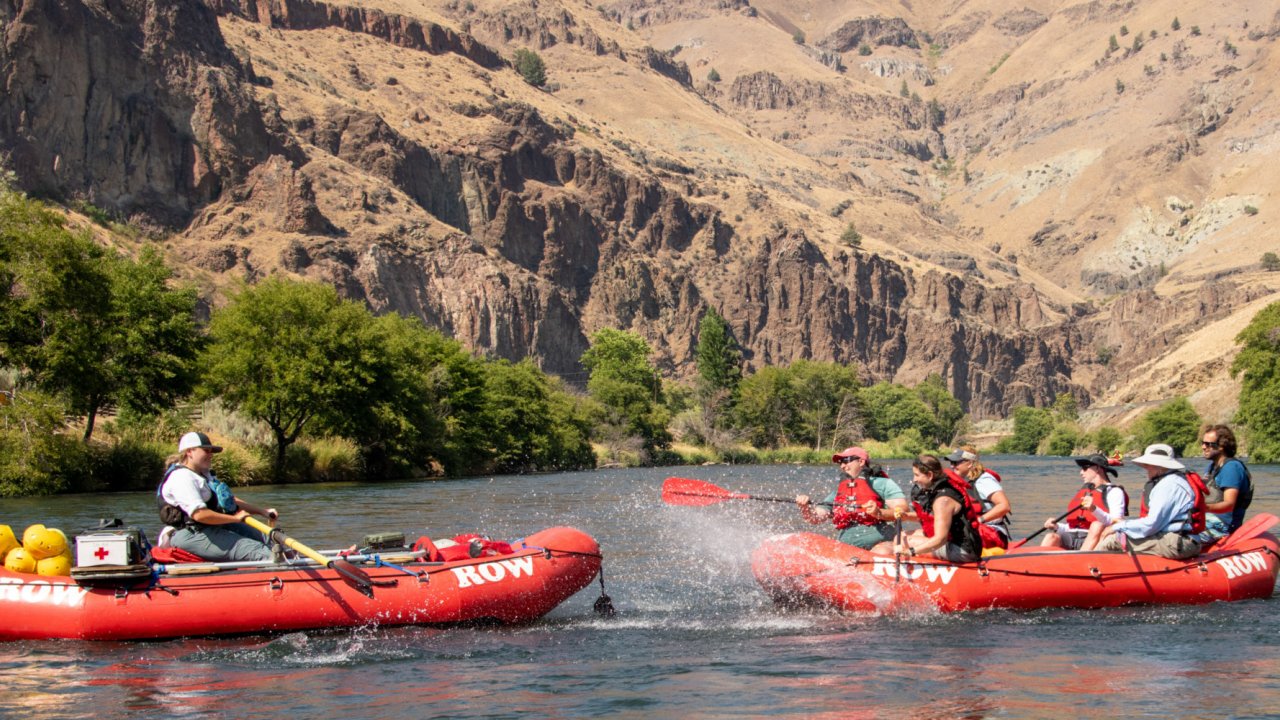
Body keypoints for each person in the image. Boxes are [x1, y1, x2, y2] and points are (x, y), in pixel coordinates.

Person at [157, 431, 279, 562]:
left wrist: (262, 511)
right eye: (206, 451)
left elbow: (229, 502)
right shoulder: (182, 478)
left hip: (210, 526)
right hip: (189, 533)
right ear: (190, 452)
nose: (211, 455)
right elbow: (199, 515)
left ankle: (292, 561)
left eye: (211, 451)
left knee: (272, 540)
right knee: (258, 550)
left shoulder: (203, 474)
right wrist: (236, 519)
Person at [1096, 443, 1205, 560]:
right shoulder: (1174, 481)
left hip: (1178, 542)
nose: (1146, 468)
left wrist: (1117, 527)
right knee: (1121, 535)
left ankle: (1089, 568)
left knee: (1112, 540)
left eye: (1149, 465)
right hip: (1179, 539)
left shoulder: (1168, 485)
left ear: (1160, 466)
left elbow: (1151, 524)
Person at [871, 454, 983, 563]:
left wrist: (911, 551)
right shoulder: (938, 490)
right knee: (902, 536)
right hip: (954, 541)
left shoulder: (943, 500)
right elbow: (931, 518)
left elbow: (940, 539)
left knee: (905, 542)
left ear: (930, 475)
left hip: (963, 551)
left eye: (917, 475)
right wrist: (907, 516)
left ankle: (913, 569)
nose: (914, 479)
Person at [796, 446, 909, 549]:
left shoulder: (883, 483)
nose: (842, 466)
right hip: (847, 548)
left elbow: (904, 512)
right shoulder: (840, 491)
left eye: (846, 461)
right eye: (840, 462)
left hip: (881, 545)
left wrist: (879, 513)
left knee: (881, 551)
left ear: (861, 462)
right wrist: (804, 507)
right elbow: (815, 518)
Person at [1041, 454, 1128, 551]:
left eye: (1085, 468)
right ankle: (1036, 564)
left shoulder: (1114, 492)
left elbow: (1116, 523)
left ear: (1097, 468)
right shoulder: (1086, 491)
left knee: (1096, 525)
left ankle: (1079, 561)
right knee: (1051, 537)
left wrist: (1094, 509)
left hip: (1097, 538)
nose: (1081, 472)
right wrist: (1057, 526)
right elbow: (1073, 528)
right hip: (1072, 538)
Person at [945, 446, 1011, 548]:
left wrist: (979, 520)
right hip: (973, 531)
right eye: (951, 463)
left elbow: (1004, 506)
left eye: (956, 462)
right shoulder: (961, 481)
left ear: (970, 463)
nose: (952, 466)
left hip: (993, 533)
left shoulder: (984, 480)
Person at [1198, 424, 1253, 542]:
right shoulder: (1211, 467)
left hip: (1223, 527)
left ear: (1221, 446)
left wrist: (1202, 508)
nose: (1203, 447)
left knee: (1180, 538)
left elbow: (1229, 504)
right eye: (1202, 443)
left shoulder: (1231, 468)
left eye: (1208, 444)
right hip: (1207, 519)